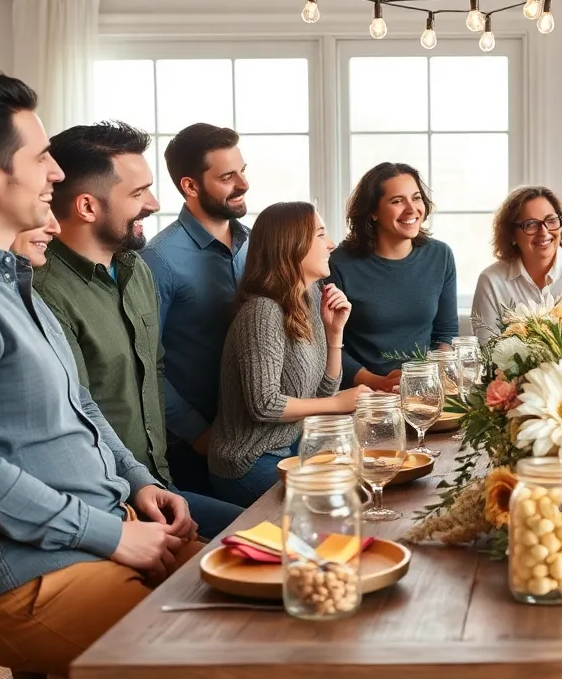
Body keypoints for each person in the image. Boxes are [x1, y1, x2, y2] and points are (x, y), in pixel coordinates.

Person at [0, 70, 199, 679]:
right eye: (40, 157)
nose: (56, 173)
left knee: (273, 593)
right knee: (233, 651)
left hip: (90, 542)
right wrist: (113, 536)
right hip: (27, 578)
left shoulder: (8, 279)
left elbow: (80, 404)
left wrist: (137, 483)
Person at [34, 121, 244, 537]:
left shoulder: (136, 269)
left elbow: (156, 369)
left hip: (160, 487)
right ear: (87, 207)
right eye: (137, 193)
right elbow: (75, 410)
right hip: (105, 505)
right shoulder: (44, 292)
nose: (154, 203)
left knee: (278, 536)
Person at [209, 202, 369, 506]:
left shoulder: (309, 298)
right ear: (291, 245)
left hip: (293, 447)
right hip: (249, 461)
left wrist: (335, 333)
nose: (331, 244)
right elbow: (264, 405)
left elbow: (323, 392)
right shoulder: (262, 312)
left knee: (363, 488)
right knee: (337, 505)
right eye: (320, 234)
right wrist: (338, 404)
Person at [141, 123, 250, 498]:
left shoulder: (256, 244)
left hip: (257, 436)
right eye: (227, 177)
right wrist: (198, 433)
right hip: (195, 448)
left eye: (242, 171)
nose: (244, 184)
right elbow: (145, 362)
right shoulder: (158, 259)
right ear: (190, 186)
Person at [330, 162, 458, 387]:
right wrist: (379, 383)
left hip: (424, 389)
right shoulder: (340, 263)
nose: (411, 209)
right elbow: (330, 344)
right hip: (362, 393)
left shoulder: (440, 255)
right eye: (397, 201)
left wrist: (431, 380)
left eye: (416, 198)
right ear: (373, 212)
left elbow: (445, 333)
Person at [472, 185, 562, 344]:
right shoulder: (491, 281)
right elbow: (487, 351)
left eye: (551, 221)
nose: (544, 231)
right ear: (511, 235)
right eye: (531, 224)